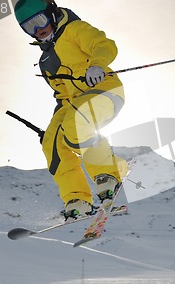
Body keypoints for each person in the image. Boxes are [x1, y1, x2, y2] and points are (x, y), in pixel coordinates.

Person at [14, 0, 128, 219]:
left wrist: (97, 65)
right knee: (52, 143)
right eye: (29, 27)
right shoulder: (45, 60)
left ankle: (107, 174)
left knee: (77, 123)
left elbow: (104, 44)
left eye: (39, 21)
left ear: (51, 13)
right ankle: (77, 199)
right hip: (73, 103)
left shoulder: (75, 29)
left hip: (104, 90)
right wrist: (52, 129)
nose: (38, 30)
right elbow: (62, 96)